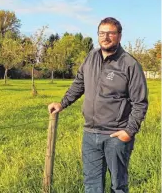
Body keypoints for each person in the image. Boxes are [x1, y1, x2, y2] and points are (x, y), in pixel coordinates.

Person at [48, 17, 148, 193]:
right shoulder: (91, 57)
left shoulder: (129, 64)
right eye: (102, 33)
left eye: (111, 33)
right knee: (91, 185)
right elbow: (79, 83)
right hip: (90, 134)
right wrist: (62, 103)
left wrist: (129, 131)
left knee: (118, 186)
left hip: (116, 135)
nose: (106, 37)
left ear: (119, 35)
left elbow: (140, 102)